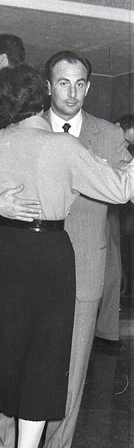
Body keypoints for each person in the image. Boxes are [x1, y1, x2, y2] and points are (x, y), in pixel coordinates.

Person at [0, 64, 134, 448]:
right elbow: (120, 190)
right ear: (41, 97)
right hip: (46, 254)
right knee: (42, 359)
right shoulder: (64, 146)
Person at [95, 114, 134, 352]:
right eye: (126, 141)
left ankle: (106, 333)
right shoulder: (98, 140)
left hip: (111, 212)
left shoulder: (120, 150)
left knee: (113, 273)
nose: (126, 148)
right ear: (116, 128)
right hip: (92, 211)